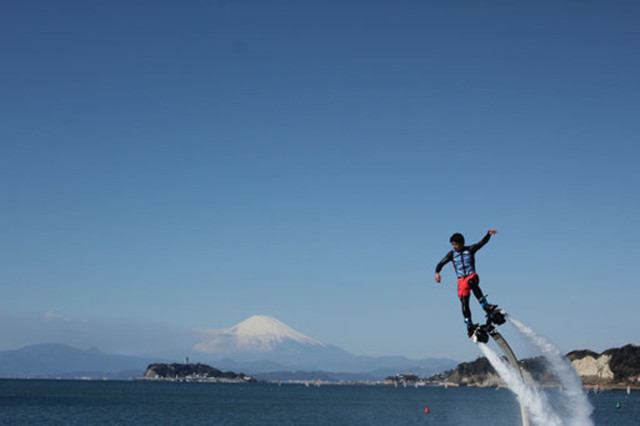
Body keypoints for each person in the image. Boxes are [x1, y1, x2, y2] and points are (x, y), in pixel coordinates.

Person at [435, 229, 499, 337]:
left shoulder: (470, 249)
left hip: (471, 276)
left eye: (455, 244)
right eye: (452, 245)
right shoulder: (452, 254)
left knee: (471, 282)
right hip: (461, 280)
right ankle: (469, 324)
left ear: (462, 243)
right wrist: (437, 273)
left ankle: (485, 305)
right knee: (464, 302)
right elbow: (440, 263)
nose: (454, 246)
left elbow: (482, 243)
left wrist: (488, 234)